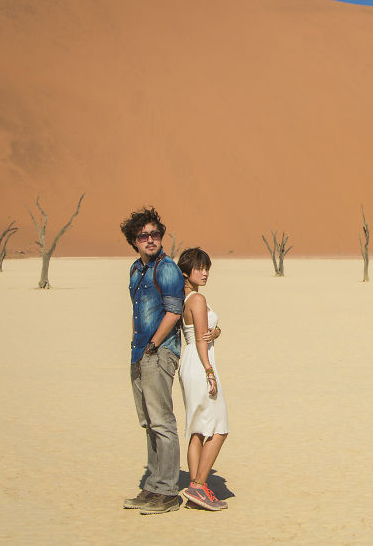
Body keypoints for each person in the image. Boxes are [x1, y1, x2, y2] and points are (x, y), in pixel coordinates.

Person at [120, 208, 185, 515]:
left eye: (155, 234)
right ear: (134, 240)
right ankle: (153, 485)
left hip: (159, 353)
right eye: (143, 235)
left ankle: (168, 491)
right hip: (140, 351)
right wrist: (138, 348)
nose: (150, 240)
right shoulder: (136, 268)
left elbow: (174, 312)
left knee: (162, 421)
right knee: (148, 421)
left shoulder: (167, 268)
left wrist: (153, 345)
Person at [177, 247, 229, 511]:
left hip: (191, 362)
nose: (205, 272)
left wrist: (216, 331)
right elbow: (200, 338)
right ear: (186, 273)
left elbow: (205, 332)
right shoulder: (197, 299)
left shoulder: (188, 299)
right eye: (199, 268)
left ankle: (196, 487)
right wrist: (209, 371)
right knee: (219, 428)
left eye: (206, 267)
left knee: (198, 429)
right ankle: (198, 485)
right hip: (200, 364)